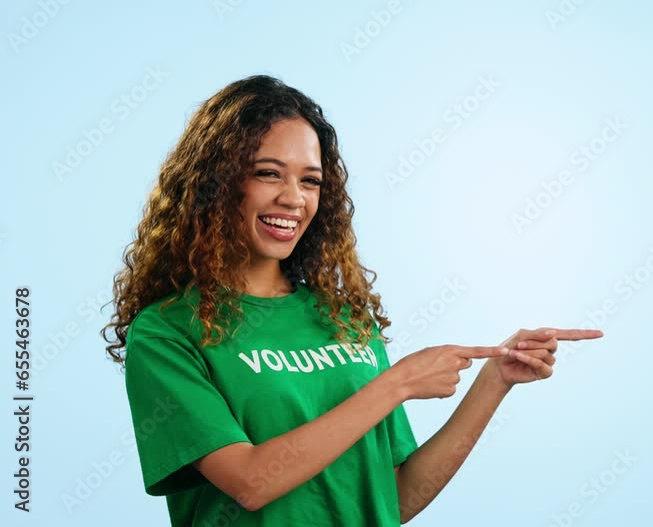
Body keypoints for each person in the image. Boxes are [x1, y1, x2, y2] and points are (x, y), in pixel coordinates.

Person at [101, 74, 603, 526]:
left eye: (310, 180)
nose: (294, 199)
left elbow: (396, 497)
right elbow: (251, 483)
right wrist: (399, 383)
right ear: (215, 182)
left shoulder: (342, 320)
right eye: (268, 173)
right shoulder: (168, 332)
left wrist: (495, 381)